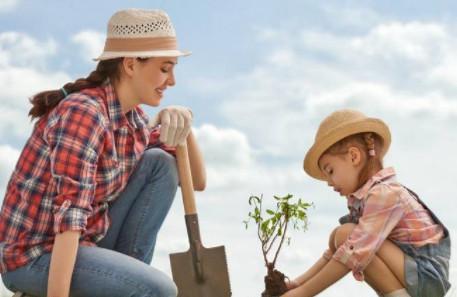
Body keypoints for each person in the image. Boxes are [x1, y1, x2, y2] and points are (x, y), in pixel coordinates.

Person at [0, 8, 205, 297]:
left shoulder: (132, 120)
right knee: (158, 290)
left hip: (85, 246)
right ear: (131, 65)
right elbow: (69, 220)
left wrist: (186, 126)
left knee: (160, 163)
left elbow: (196, 182)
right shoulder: (84, 113)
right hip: (35, 257)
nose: (171, 81)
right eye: (164, 68)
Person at [282, 109, 451, 297]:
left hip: (426, 277)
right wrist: (297, 284)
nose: (329, 183)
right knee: (339, 236)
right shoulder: (365, 198)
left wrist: (302, 294)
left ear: (354, 157)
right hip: (413, 273)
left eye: (330, 171)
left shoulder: (385, 193)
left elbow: (353, 252)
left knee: (347, 236)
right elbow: (335, 252)